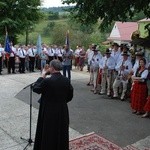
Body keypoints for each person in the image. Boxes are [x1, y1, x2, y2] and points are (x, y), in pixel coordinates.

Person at [33, 59, 73, 150]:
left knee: (49, 131)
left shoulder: (47, 81)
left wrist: (42, 76)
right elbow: (70, 95)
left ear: (51, 68)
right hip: (62, 109)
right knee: (60, 130)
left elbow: (36, 88)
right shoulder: (66, 80)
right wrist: (61, 102)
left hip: (49, 110)